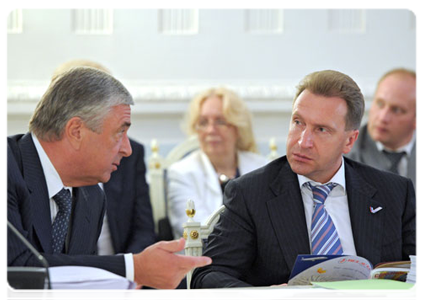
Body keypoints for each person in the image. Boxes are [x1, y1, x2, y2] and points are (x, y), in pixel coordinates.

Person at [191, 70, 420, 288]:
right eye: (298, 122)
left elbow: (417, 269)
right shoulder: (251, 193)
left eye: (321, 129)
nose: (302, 141)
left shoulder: (394, 193)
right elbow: (208, 275)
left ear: (349, 141)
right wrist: (267, 296)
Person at [5, 67, 211, 290]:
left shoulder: (91, 196)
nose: (128, 149)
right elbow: (16, 270)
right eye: (119, 133)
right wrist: (134, 268)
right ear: (76, 131)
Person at [52, 59, 156, 255]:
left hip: (126, 275)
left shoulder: (130, 155)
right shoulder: (37, 159)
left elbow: (144, 230)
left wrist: (131, 270)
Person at [167, 87, 268, 239]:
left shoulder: (261, 167)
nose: (210, 130)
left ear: (237, 127)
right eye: (203, 122)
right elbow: (199, 233)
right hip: (204, 259)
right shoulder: (182, 173)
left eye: (220, 121)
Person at [347, 68, 420, 206]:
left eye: (396, 110)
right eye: (380, 104)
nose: (383, 117)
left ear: (418, 119)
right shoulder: (345, 154)